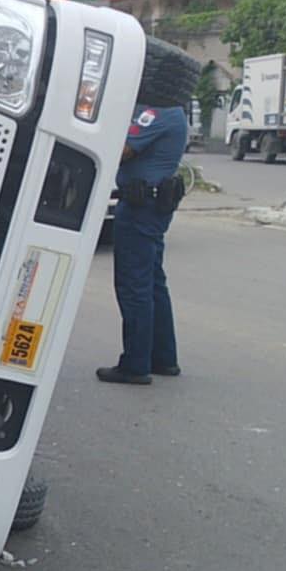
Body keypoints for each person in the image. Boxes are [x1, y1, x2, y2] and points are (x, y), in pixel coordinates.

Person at [97, 58, 193, 387]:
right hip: (153, 205)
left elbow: (121, 150)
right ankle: (163, 357)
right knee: (153, 282)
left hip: (140, 208)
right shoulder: (176, 113)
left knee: (134, 286)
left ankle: (135, 364)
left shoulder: (155, 113)